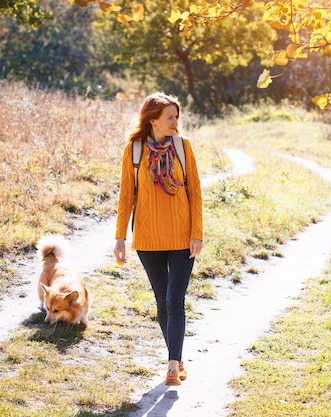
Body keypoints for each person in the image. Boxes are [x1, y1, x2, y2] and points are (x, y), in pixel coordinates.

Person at [113, 92, 203, 386]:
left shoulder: (182, 147)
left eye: (177, 116)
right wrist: (120, 237)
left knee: (174, 300)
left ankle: (172, 366)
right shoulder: (134, 149)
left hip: (181, 238)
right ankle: (177, 356)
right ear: (153, 120)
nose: (176, 122)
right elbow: (126, 195)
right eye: (170, 117)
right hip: (148, 239)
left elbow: (195, 194)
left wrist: (197, 234)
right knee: (162, 302)